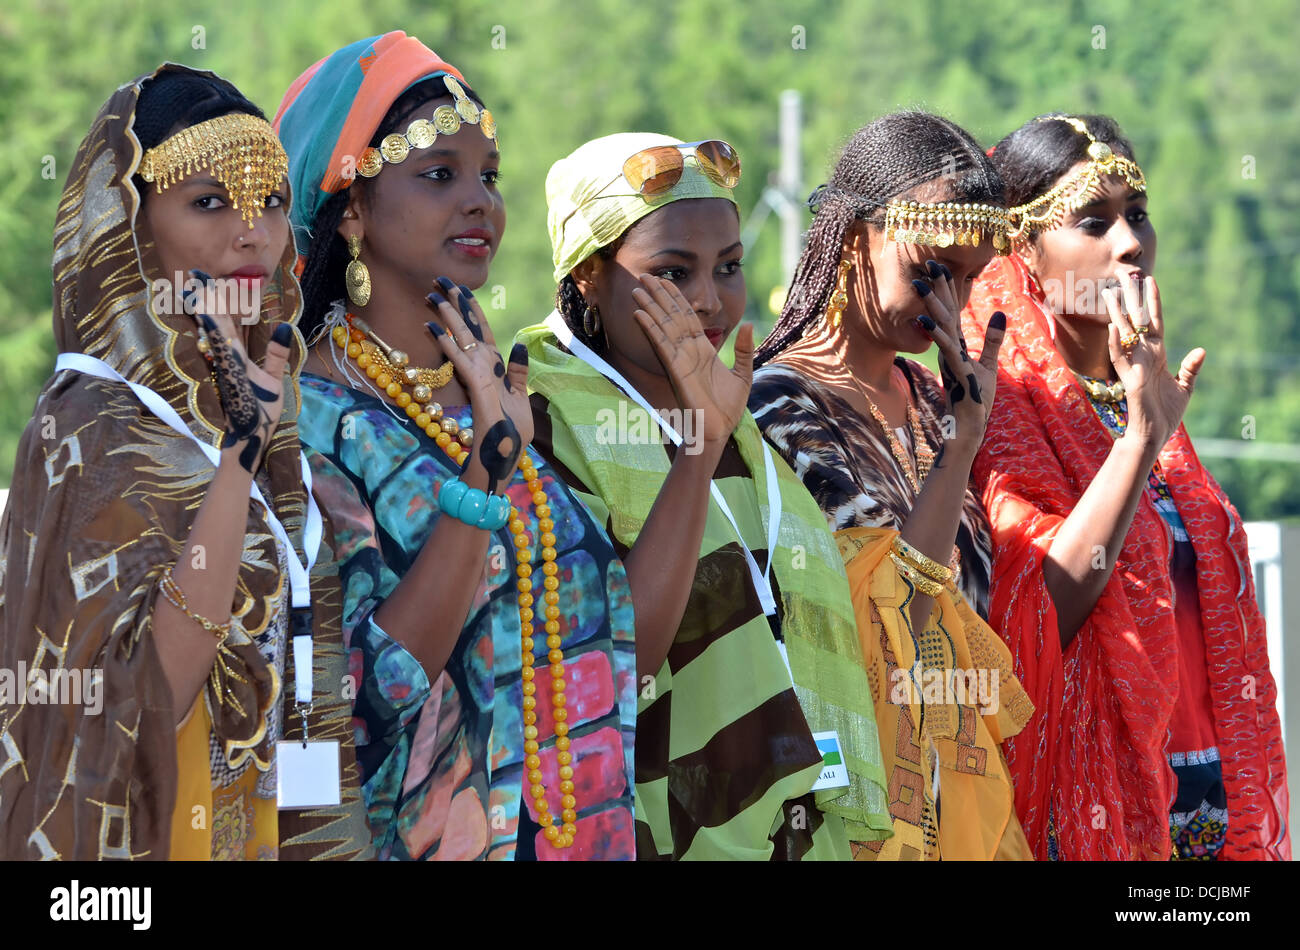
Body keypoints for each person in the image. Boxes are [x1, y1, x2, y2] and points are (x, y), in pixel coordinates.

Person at [276, 32, 637, 860]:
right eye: (439, 175)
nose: (480, 200)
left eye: (488, 176)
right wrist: (484, 471)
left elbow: (613, 647)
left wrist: (700, 450)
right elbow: (360, 703)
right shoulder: (311, 423)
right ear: (353, 208)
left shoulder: (499, 394)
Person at [0, 65, 372, 860]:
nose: (254, 234)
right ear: (129, 228)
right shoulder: (89, 426)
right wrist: (237, 461)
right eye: (210, 201)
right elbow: (146, 701)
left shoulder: (270, 412)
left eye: (271, 203)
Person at [517, 132, 892, 860]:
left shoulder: (744, 431)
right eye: (671, 270)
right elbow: (615, 661)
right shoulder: (541, 422)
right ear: (588, 274)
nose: (706, 299)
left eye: (727, 267)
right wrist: (695, 453)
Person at [963, 113, 1290, 860]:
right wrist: (1139, 441)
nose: (1131, 242)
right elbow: (1035, 619)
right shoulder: (1002, 412)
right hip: (1092, 802)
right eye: (1094, 221)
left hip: (1211, 801)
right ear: (1024, 251)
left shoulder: (1145, 401)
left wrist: (1146, 426)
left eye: (1136, 215)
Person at [750, 112, 1034, 859]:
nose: (953, 306)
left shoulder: (940, 401)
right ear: (853, 240)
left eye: (971, 281)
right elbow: (891, 618)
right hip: (844, 805)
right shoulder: (775, 404)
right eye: (933, 271)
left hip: (954, 795)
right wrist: (964, 443)